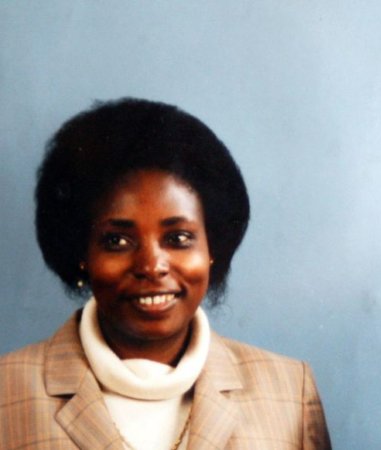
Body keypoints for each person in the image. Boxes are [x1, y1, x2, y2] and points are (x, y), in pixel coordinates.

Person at [0, 98, 331, 449]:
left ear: (212, 247)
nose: (151, 266)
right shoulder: (7, 391)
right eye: (117, 241)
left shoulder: (292, 393)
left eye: (178, 238)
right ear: (81, 253)